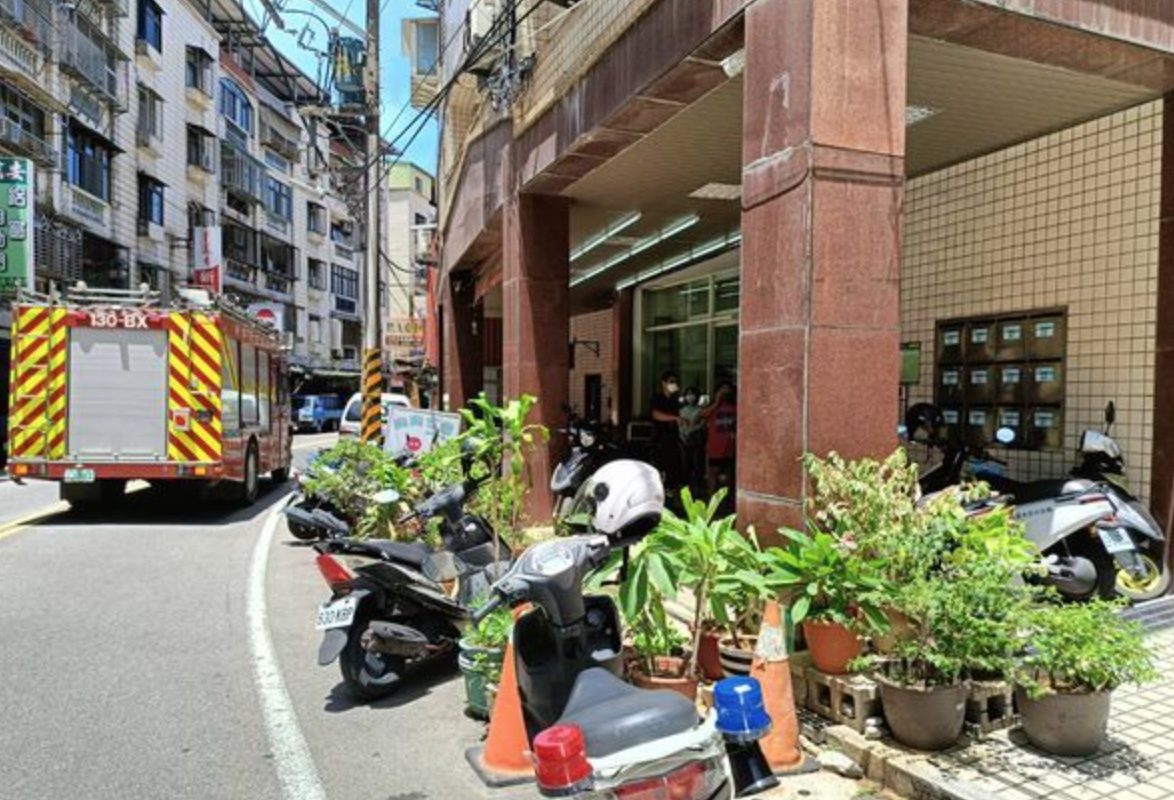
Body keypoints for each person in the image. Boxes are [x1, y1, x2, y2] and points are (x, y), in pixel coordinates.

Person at [701, 381, 737, 499]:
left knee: (728, 474)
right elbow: (702, 415)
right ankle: (712, 501)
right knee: (713, 474)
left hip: (730, 447)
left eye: (727, 389)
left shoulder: (736, 406)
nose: (725, 392)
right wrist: (716, 402)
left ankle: (726, 500)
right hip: (715, 448)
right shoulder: (713, 407)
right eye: (722, 389)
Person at [649, 371, 684, 491]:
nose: (674, 384)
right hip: (660, 440)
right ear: (663, 383)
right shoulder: (657, 398)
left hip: (674, 439)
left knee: (674, 470)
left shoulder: (675, 400)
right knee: (662, 469)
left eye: (675, 382)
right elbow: (655, 414)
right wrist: (675, 418)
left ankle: (672, 491)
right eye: (671, 381)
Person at [678, 387, 706, 492]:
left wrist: (691, 431)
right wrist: (683, 435)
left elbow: (703, 424)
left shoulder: (701, 410)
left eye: (692, 394)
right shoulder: (681, 410)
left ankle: (698, 489)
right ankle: (686, 490)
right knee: (685, 467)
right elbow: (679, 425)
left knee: (697, 466)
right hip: (683, 441)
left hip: (696, 442)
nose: (690, 396)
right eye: (688, 394)